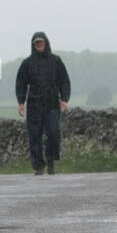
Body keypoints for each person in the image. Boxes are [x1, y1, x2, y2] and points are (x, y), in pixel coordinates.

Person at [15, 31, 70, 175]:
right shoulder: (27, 63)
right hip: (34, 104)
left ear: (46, 43)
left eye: (41, 42)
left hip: (52, 103)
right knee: (34, 135)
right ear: (33, 45)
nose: (39, 45)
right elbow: (20, 83)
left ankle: (51, 160)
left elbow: (64, 81)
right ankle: (38, 165)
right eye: (36, 43)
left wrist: (64, 99)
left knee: (53, 132)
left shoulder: (56, 61)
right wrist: (21, 102)